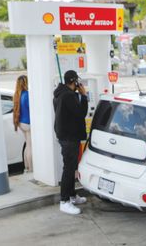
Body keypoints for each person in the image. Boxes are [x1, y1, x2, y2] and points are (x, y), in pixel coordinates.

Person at [53, 70, 89, 215]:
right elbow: (81, 113)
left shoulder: (59, 94)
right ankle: (64, 201)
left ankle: (72, 196)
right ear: (74, 82)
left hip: (65, 135)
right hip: (69, 137)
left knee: (72, 167)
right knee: (69, 169)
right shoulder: (68, 96)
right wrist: (84, 96)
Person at [13, 75, 32, 173]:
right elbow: (32, 109)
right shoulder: (27, 94)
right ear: (25, 83)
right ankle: (31, 168)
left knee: (27, 145)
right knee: (30, 146)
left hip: (20, 123)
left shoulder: (17, 95)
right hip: (28, 124)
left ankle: (26, 167)